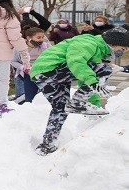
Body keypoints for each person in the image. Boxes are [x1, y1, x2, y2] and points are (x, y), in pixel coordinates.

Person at [30, 27, 129, 155]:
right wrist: (93, 82)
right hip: (49, 69)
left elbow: (84, 78)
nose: (123, 52)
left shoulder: (99, 52)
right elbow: (76, 62)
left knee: (61, 109)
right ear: (113, 43)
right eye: (123, 49)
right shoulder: (89, 43)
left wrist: (95, 105)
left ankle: (47, 146)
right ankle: (77, 102)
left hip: (43, 75)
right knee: (104, 69)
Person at [10, 27, 49, 104]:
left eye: (42, 37)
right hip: (28, 72)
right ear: (29, 38)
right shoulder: (20, 48)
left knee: (46, 94)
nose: (41, 39)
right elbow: (13, 61)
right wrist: (23, 68)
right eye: (38, 37)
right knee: (30, 95)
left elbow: (52, 57)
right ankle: (28, 104)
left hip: (43, 71)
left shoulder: (45, 45)